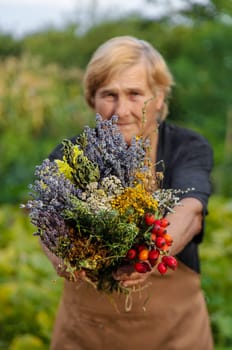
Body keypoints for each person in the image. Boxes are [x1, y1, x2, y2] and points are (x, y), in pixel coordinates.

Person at [43, 36, 214, 349]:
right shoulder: (73, 155)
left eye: (135, 94)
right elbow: (47, 218)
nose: (122, 110)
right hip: (86, 333)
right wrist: (61, 253)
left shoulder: (187, 148)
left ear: (159, 97)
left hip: (175, 332)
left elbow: (191, 211)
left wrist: (152, 255)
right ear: (92, 99)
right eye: (109, 94)